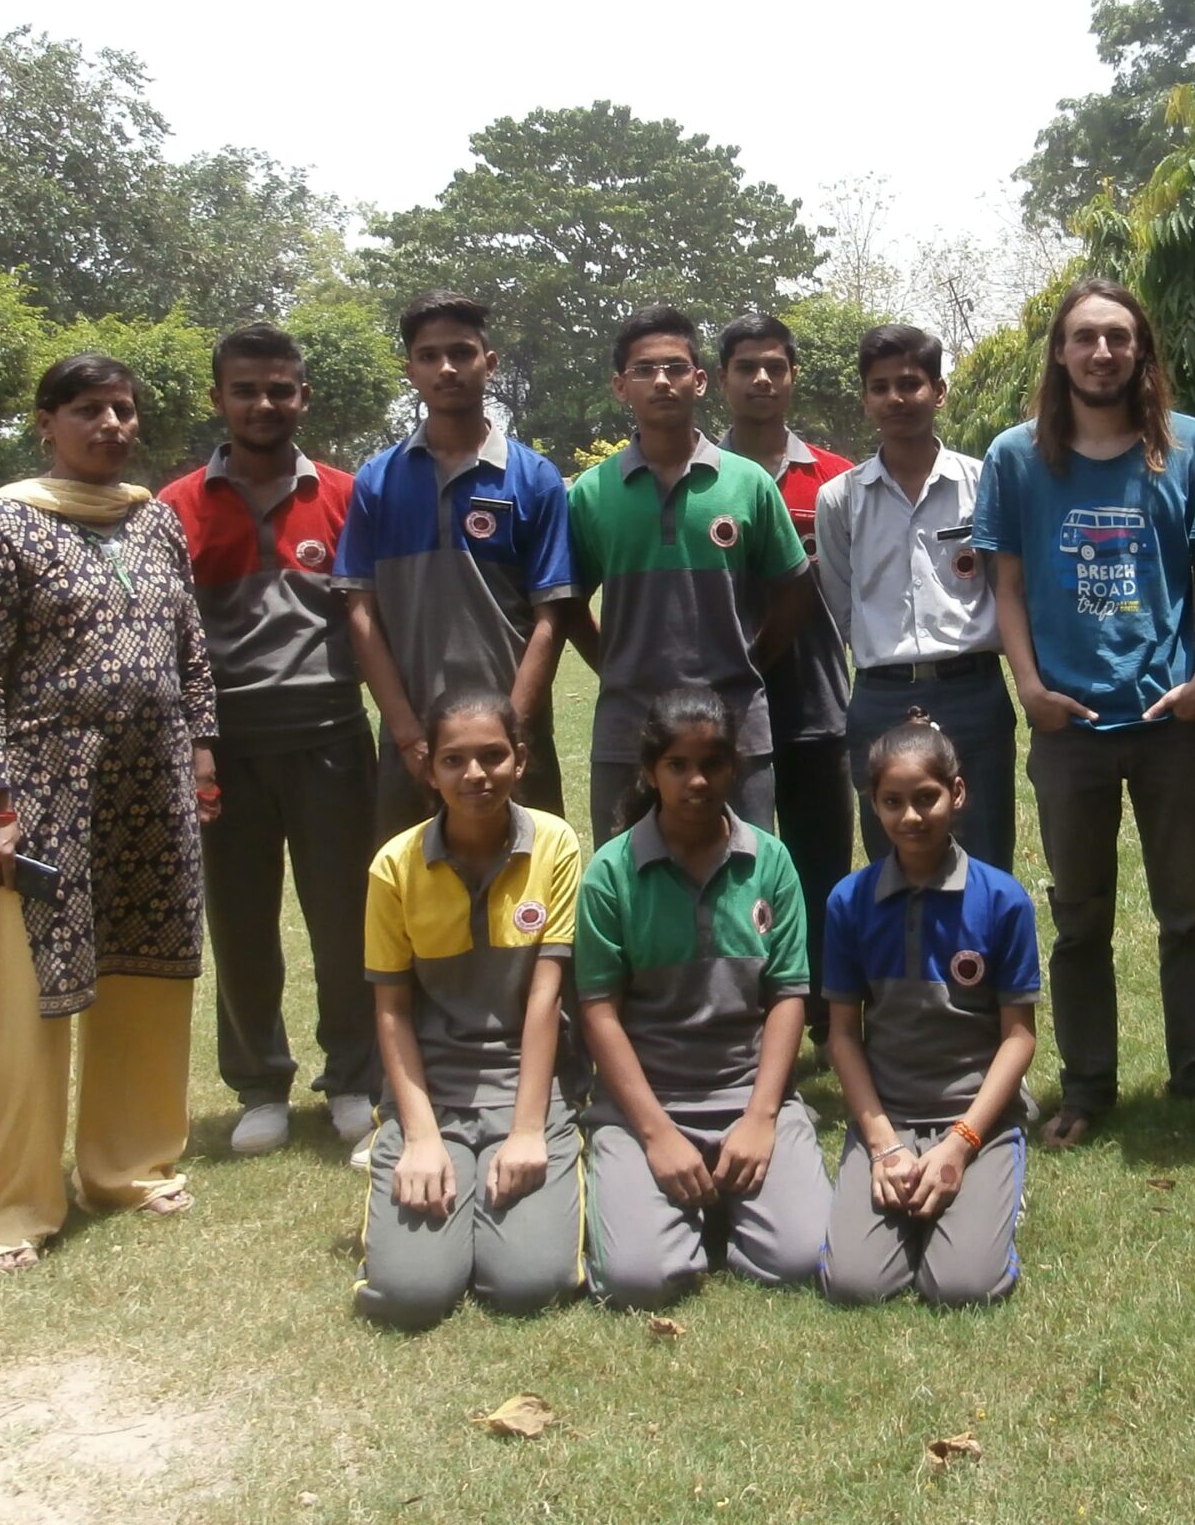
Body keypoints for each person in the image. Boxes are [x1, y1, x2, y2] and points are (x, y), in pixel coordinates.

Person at [0, 354, 220, 1272]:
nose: (113, 425)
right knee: (31, 993)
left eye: (125, 410)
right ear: (46, 422)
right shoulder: (5, 525)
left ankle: (129, 1167)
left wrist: (201, 753)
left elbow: (189, 648)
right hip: (45, 790)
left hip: (151, 783)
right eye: (90, 411)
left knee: (151, 965)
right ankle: (11, 1204)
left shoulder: (153, 522)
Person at [971, 277, 1195, 1150]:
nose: (1101, 353)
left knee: (1187, 914)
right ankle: (1087, 1086)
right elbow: (1006, 586)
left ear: (1141, 352)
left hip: (1171, 719)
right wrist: (1030, 690)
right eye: (1084, 338)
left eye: (1118, 338)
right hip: (1069, 727)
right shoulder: (1017, 456)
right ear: (1060, 351)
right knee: (1079, 917)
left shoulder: (1189, 446)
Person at [158, 324, 379, 1163]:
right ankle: (259, 1085)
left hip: (329, 735)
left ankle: (353, 1077)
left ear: (303, 397)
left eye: (280, 389)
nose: (263, 404)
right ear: (217, 399)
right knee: (241, 923)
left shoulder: (346, 496)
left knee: (345, 919)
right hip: (225, 750)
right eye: (245, 389)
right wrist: (192, 743)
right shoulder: (173, 508)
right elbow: (168, 640)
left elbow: (371, 615)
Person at [573, 687, 831, 1306]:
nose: (696, 780)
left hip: (747, 1092)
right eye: (677, 765)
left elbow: (788, 995)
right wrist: (658, 1135)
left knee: (803, 1256)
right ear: (649, 772)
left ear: (733, 767)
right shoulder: (611, 874)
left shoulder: (769, 862)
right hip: (649, 1103)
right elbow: (599, 1013)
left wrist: (763, 1117)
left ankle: (720, 1195)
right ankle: (676, 1193)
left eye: (711, 763)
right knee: (641, 1280)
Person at [353, 692, 587, 1324]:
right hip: (435, 1091)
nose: (475, 775)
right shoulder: (394, 866)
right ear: (429, 769)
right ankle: (418, 1174)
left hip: (529, 1086)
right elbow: (393, 1011)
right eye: (454, 760)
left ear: (520, 761)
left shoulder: (556, 845)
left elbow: (546, 995)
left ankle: (512, 1201)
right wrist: (422, 1138)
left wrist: (528, 1130)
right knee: (412, 1294)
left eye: (492, 756)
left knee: (529, 1285)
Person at [566, 306, 813, 840]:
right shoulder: (591, 492)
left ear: (700, 381)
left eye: (676, 368)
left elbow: (794, 589)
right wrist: (613, 663)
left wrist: (749, 658)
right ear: (619, 386)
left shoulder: (747, 484)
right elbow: (568, 603)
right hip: (627, 732)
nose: (661, 381)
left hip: (734, 728)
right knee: (630, 886)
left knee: (745, 888)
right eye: (644, 370)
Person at [337, 292, 578, 840]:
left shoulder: (534, 477)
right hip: (415, 742)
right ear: (411, 371)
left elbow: (550, 617)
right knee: (415, 901)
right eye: (429, 356)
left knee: (528, 902)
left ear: (488, 364)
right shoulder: (377, 480)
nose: (446, 368)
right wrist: (405, 733)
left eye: (461, 353)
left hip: (512, 742)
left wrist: (508, 737)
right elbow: (360, 609)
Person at [818, 712, 1038, 1307]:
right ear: (873, 803)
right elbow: (842, 1036)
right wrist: (883, 1142)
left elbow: (1019, 1038)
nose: (910, 817)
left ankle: (991, 1182)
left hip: (976, 1119)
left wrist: (962, 1143)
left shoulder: (1002, 900)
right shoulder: (849, 901)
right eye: (892, 802)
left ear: (957, 793)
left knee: (961, 1287)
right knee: (856, 1284)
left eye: (926, 798)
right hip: (889, 1121)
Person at [815, 323, 1017, 871]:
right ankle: (900, 960)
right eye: (879, 387)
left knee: (986, 855)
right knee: (892, 860)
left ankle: (984, 958)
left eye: (910, 383)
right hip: (880, 698)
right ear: (865, 399)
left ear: (939, 391)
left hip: (973, 691)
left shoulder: (984, 485)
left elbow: (1007, 590)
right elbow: (837, 607)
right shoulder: (840, 499)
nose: (895, 398)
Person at [717, 313, 857, 1041]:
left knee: (823, 873)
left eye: (775, 365)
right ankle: (752, 1021)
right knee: (742, 876)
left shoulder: (835, 481)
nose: (762, 379)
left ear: (793, 375)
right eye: (747, 366)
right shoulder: (702, 475)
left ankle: (833, 1028)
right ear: (723, 380)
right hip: (729, 715)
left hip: (819, 708)